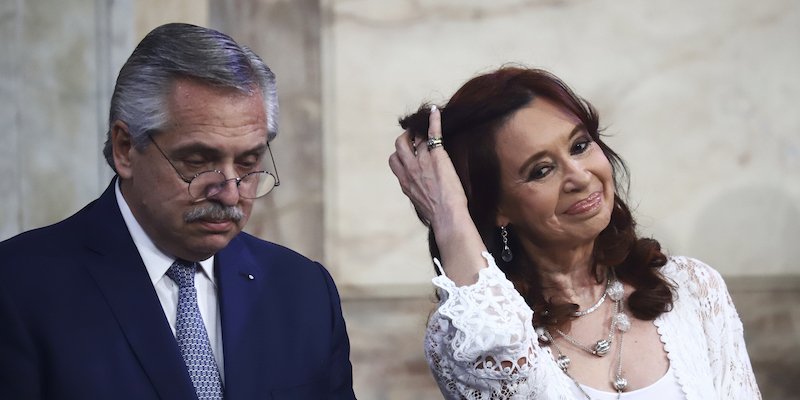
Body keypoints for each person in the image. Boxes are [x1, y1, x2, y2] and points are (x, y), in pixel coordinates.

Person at [0, 23, 355, 400]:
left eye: (249, 163)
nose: (230, 194)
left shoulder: (304, 290)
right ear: (125, 149)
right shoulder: (17, 290)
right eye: (198, 162)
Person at [389, 66, 760, 399]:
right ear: (497, 209)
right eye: (541, 170)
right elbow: (498, 355)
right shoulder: (464, 335)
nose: (580, 177)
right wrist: (450, 213)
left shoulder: (691, 287)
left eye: (580, 146)